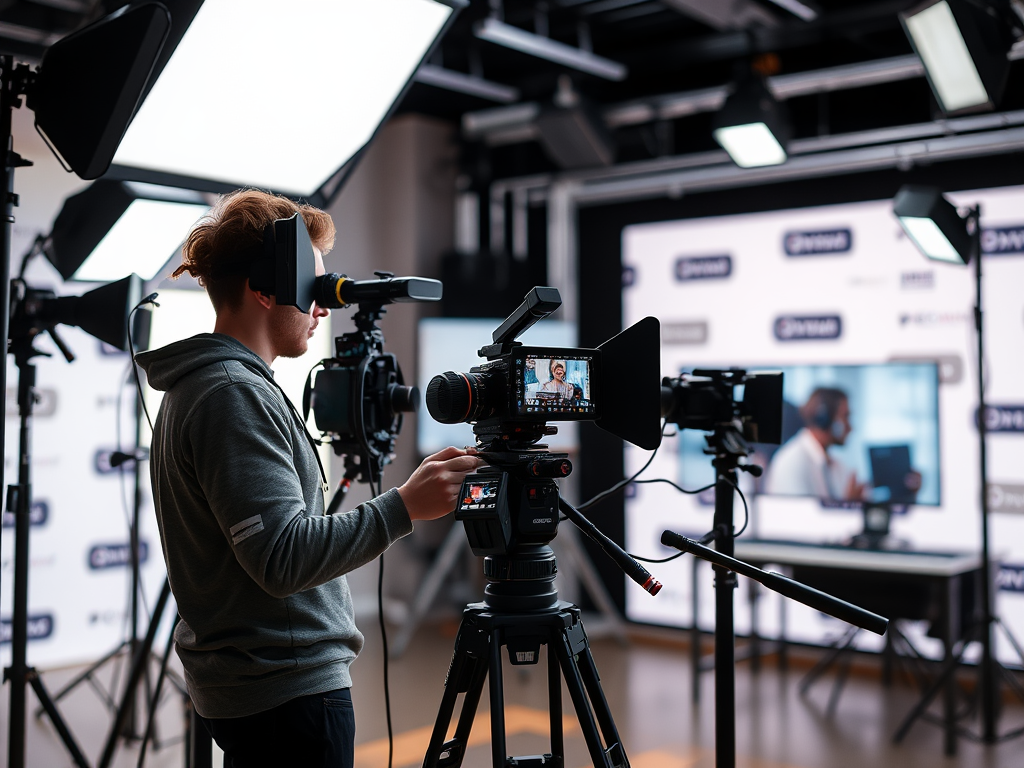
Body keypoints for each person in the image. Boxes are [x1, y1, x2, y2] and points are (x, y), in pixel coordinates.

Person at [136, 189, 482, 768]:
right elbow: (282, 558)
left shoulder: (211, 386)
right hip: (288, 695)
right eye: (312, 288)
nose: (323, 308)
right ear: (265, 288)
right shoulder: (232, 393)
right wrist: (404, 507)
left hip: (268, 690)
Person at [763, 387, 866, 501]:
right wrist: (848, 504)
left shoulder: (835, 465)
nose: (850, 427)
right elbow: (801, 517)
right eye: (845, 416)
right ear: (823, 418)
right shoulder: (792, 462)